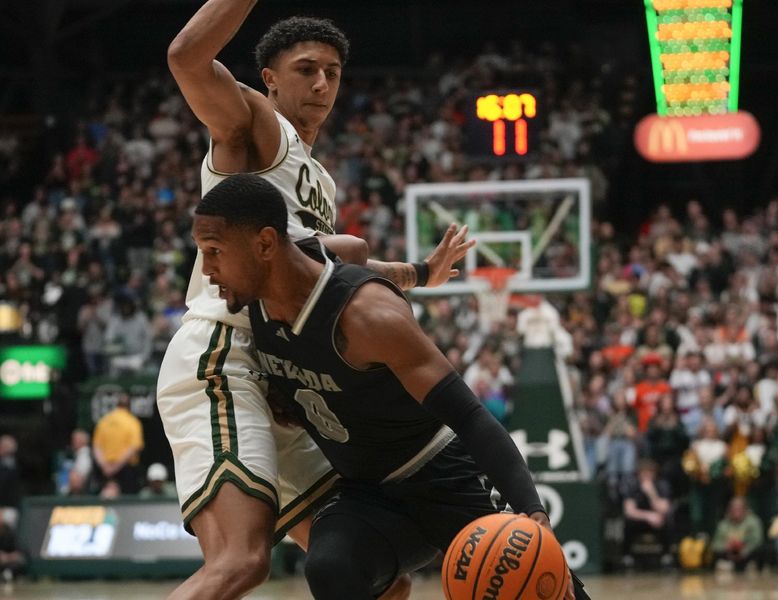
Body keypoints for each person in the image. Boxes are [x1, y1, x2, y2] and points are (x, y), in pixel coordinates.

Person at [162, 4, 470, 599]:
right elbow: (186, 58)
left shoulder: (318, 180)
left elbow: (333, 261)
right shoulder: (255, 130)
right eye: (306, 69)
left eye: (332, 70)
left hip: (284, 377)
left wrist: (421, 272)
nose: (322, 82)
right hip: (224, 356)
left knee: (381, 579)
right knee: (240, 562)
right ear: (269, 79)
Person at [191, 173, 587, 600]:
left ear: (266, 244)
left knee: (542, 588)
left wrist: (532, 510)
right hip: (368, 494)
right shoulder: (260, 290)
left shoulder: (367, 318)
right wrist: (420, 272)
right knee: (330, 568)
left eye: (214, 252)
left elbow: (471, 417)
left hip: (442, 476)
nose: (207, 270)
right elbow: (352, 251)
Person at [91, 395, 144, 494]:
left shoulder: (103, 421)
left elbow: (96, 447)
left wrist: (105, 467)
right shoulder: (132, 421)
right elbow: (134, 448)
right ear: (129, 406)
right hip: (126, 470)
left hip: (105, 470)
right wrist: (115, 467)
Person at [711, 497, 764, 572]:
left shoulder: (753, 522)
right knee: (716, 553)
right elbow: (715, 544)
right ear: (729, 510)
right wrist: (726, 547)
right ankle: (730, 565)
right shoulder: (723, 524)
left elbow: (757, 540)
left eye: (739, 509)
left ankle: (749, 566)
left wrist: (744, 550)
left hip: (747, 552)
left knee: (761, 550)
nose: (736, 512)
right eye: (734, 509)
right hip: (729, 553)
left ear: (745, 510)